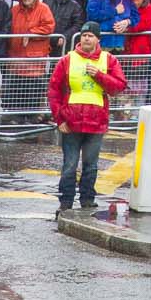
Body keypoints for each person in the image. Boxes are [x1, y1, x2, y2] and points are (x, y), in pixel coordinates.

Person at [48, 24, 127, 213]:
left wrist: (99, 75)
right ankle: (65, 203)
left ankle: (87, 200)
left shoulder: (109, 59)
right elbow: (54, 90)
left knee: (91, 166)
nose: (86, 39)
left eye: (91, 36)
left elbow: (118, 87)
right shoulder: (67, 60)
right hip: (71, 122)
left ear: (98, 39)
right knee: (69, 165)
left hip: (96, 123)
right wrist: (60, 120)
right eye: (84, 35)